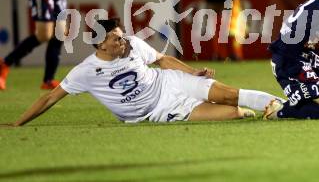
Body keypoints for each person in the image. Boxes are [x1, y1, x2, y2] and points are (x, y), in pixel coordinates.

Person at [4, 18, 283, 126]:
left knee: (229, 95)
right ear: (101, 43)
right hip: (156, 111)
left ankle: (282, 105)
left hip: (171, 82)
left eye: (122, 36)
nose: (122, 41)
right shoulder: (85, 71)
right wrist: (18, 124)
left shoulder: (134, 44)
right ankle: (252, 109)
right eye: (115, 39)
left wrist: (193, 71)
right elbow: (49, 98)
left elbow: (162, 60)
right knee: (232, 114)